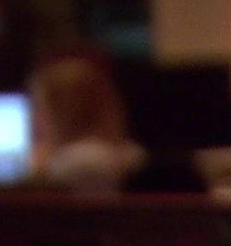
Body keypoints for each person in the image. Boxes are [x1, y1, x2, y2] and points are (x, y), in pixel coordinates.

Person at [25, 50, 148, 195]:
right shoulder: (126, 153)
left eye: (38, 106)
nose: (34, 117)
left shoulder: (82, 162)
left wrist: (39, 170)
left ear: (62, 111)